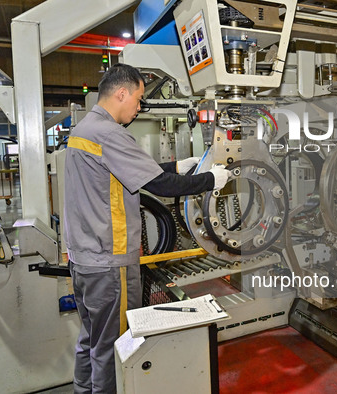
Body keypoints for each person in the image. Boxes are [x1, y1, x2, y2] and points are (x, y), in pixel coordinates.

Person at [63, 63, 230, 393]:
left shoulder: (85, 129)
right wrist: (211, 179)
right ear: (121, 93)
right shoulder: (109, 133)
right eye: (138, 98)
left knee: (92, 341)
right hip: (109, 264)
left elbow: (126, 169)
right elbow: (162, 186)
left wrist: (177, 166)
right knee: (116, 347)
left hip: (83, 261)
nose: (139, 107)